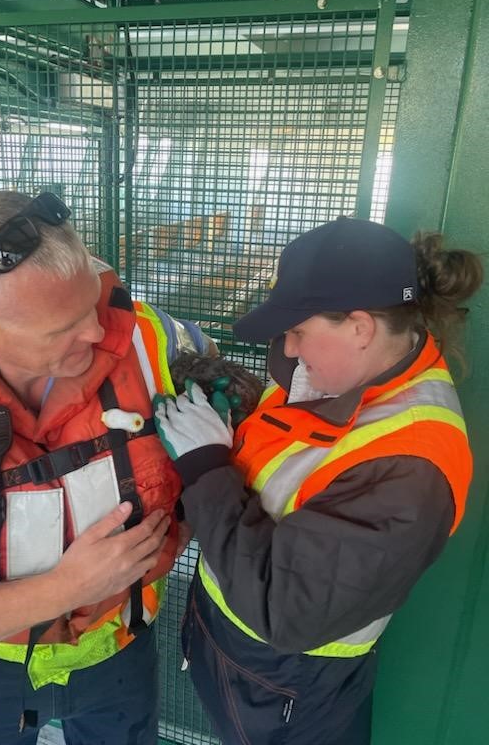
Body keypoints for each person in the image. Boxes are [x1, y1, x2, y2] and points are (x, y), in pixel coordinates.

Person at [0, 190, 211, 745]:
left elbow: (219, 389)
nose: (94, 333)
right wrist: (64, 589)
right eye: (59, 329)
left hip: (122, 641)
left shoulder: (145, 336)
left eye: (89, 305)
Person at [154, 216, 483, 745]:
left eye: (299, 331)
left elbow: (286, 608)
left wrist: (206, 466)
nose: (288, 350)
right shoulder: (346, 370)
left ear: (360, 326)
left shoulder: (411, 466)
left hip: (289, 696)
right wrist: (235, 413)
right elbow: (295, 460)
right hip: (238, 663)